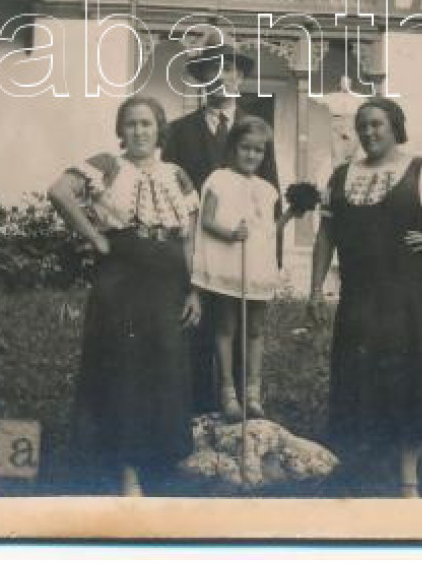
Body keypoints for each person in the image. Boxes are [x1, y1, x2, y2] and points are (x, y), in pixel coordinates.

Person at [307, 97, 422, 498]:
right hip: (357, 301)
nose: (369, 133)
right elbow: (326, 236)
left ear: (395, 127)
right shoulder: (339, 177)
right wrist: (315, 290)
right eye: (363, 126)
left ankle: (408, 481)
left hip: (404, 300)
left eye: (377, 125)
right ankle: (362, 476)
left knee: (407, 384)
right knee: (358, 382)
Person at [47, 95, 202, 496]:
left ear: (159, 129)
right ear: (121, 131)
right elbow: (60, 192)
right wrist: (95, 236)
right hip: (123, 277)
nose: (138, 131)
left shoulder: (177, 174)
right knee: (125, 369)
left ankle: (161, 460)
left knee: (164, 366)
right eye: (131, 124)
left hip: (168, 280)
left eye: (146, 124)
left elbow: (189, 236)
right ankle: (126, 469)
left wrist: (193, 289)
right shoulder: (107, 165)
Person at [160, 42, 280, 414]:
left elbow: (271, 194)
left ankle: (245, 402)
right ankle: (199, 411)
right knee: (198, 330)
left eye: (228, 70)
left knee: (243, 328)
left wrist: (270, 258)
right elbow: (170, 192)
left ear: (240, 77)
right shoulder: (180, 132)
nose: (220, 78)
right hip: (200, 247)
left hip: (245, 250)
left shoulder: (256, 132)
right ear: (200, 80)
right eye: (210, 70)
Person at [191, 117, 305, 421]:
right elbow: (206, 219)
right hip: (230, 263)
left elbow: (268, 231)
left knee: (255, 330)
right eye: (245, 148)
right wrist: (230, 233)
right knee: (226, 327)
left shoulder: (267, 189)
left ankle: (253, 393)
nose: (252, 155)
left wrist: (292, 214)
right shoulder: (218, 179)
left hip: (257, 266)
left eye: (258, 150)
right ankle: (228, 392)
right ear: (233, 148)